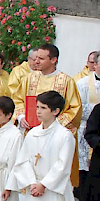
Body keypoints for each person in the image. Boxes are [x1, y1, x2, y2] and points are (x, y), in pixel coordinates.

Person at [12, 43, 82, 186]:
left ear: (53, 60)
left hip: (54, 137)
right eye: (36, 58)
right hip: (31, 133)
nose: (36, 61)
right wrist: (21, 117)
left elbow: (75, 109)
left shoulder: (66, 81)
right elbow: (17, 99)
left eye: (41, 59)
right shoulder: (29, 79)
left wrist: (51, 126)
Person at [76, 49, 100, 196]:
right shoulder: (82, 84)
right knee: (85, 172)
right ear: (95, 65)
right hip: (87, 131)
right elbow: (77, 108)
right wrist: (99, 107)